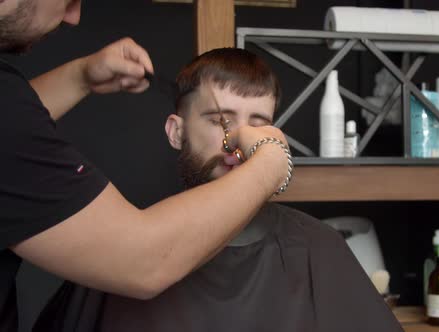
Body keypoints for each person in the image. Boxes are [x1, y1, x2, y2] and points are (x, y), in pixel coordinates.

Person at [34, 48, 405, 332]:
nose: (239, 143)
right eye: (220, 120)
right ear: (175, 132)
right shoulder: (127, 247)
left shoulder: (319, 250)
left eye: (259, 124)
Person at [0, 1, 291, 330]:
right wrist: (270, 164)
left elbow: (13, 127)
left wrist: (80, 77)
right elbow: (145, 263)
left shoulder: (312, 252)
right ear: (175, 132)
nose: (74, 16)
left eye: (259, 124)